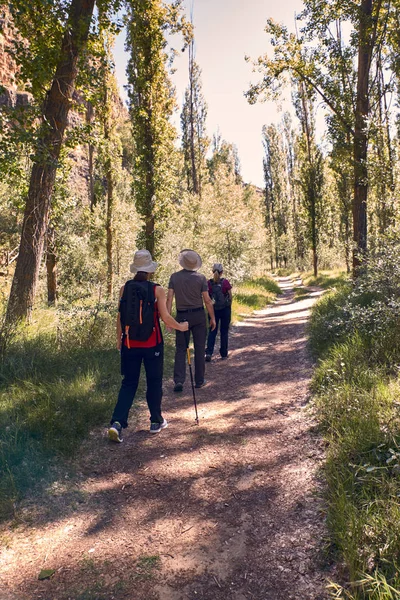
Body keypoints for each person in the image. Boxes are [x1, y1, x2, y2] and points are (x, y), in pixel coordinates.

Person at [108, 250, 189, 443]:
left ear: (135, 269)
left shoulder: (124, 288)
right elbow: (165, 317)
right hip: (152, 343)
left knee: (129, 383)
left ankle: (117, 423)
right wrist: (181, 326)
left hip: (129, 343)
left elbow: (120, 317)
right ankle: (155, 421)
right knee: (154, 381)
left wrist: (119, 339)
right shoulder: (156, 290)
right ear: (150, 270)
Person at [167, 249, 216, 392]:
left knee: (180, 349)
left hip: (181, 316)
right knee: (200, 348)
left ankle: (179, 380)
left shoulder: (174, 277)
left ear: (183, 263)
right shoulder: (201, 278)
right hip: (199, 315)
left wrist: (168, 318)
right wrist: (212, 317)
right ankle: (199, 380)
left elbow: (169, 298)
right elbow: (207, 300)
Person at [205, 263, 232, 361]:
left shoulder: (208, 283)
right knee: (224, 331)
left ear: (212, 272)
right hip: (225, 309)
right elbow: (230, 296)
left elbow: (207, 298)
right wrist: (229, 306)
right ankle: (224, 354)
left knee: (212, 330)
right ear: (222, 272)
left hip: (213, 310)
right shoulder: (225, 282)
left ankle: (209, 353)